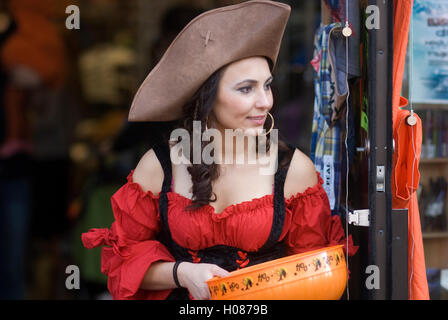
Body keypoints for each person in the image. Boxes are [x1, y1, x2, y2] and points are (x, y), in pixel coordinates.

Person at [82, 0, 357, 300]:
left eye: (266, 85)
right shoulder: (160, 166)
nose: (265, 101)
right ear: (208, 97)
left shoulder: (292, 170)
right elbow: (124, 262)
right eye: (246, 89)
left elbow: (316, 277)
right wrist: (182, 272)